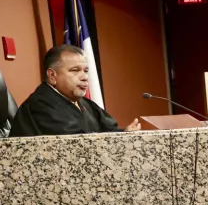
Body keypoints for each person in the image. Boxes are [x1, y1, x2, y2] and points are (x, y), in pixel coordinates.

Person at [10, 44, 140, 137]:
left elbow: (109, 129)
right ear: (52, 76)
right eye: (75, 70)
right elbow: (75, 143)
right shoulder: (41, 105)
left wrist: (125, 134)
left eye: (85, 71)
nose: (84, 77)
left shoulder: (84, 103)